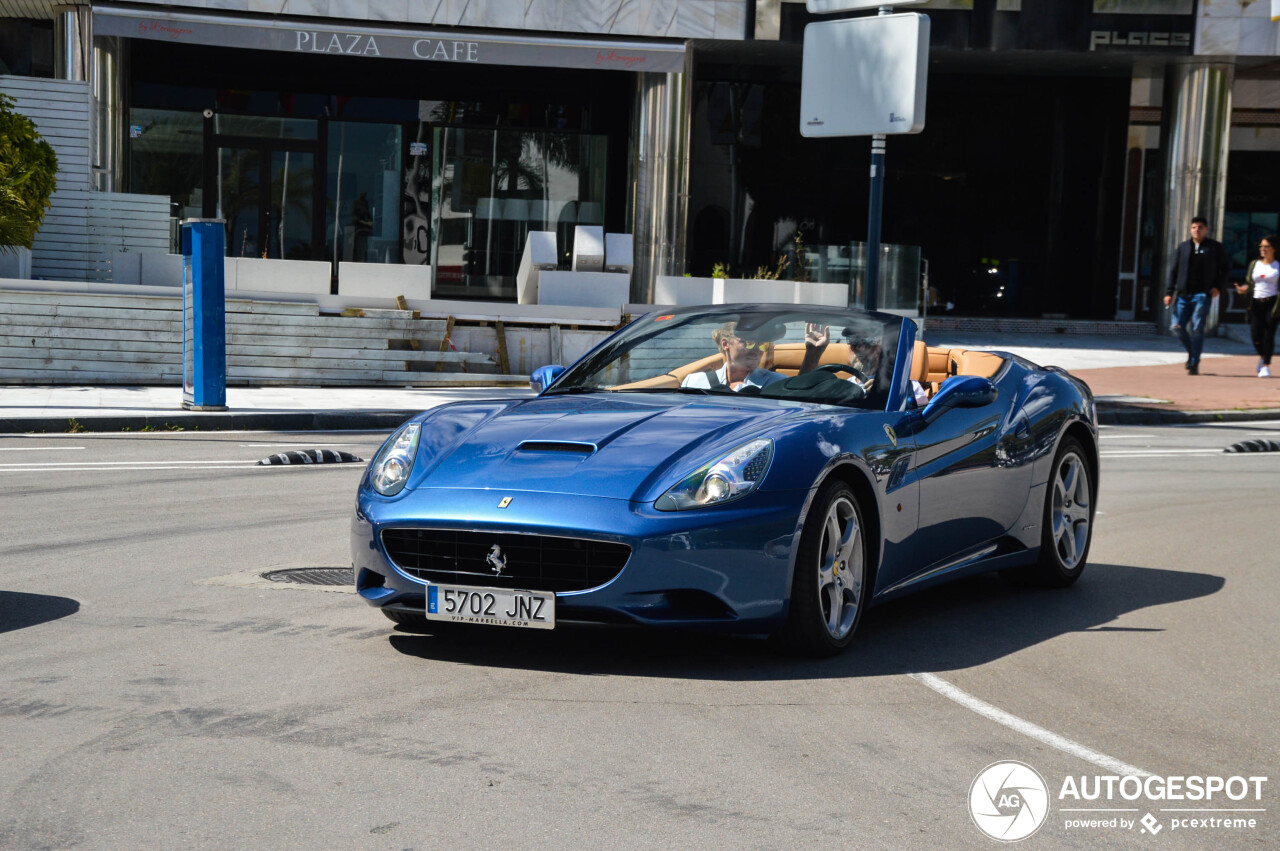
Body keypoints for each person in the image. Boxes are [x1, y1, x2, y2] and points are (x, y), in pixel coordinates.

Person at [680, 321, 827, 392]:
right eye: (749, 342)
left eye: (762, 344)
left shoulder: (776, 383)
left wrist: (813, 354)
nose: (757, 349)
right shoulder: (694, 381)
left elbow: (797, 398)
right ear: (726, 344)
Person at [1164, 216, 1230, 375]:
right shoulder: (1183, 247)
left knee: (1197, 327)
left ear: (1207, 229)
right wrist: (1169, 292)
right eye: (1194, 227)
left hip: (1202, 294)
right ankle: (1192, 353)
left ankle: (1194, 362)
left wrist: (1218, 287)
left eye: (1200, 227)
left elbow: (1226, 268)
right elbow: (1174, 270)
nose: (1196, 230)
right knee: (1176, 326)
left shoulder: (1214, 248)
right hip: (1183, 294)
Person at [1234, 234, 1280, 378]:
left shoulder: (1277, 266)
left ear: (1273, 249)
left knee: (1269, 335)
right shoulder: (1255, 264)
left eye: (1266, 246)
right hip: (1255, 303)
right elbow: (1250, 283)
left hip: (1272, 303)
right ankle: (1262, 355)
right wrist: (1244, 289)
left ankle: (1266, 365)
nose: (1262, 249)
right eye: (1261, 246)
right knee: (1255, 336)